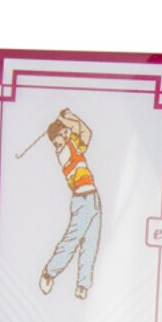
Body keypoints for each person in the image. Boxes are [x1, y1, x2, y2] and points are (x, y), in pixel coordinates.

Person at [39, 108, 101, 300]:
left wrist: (70, 117)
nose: (57, 142)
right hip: (82, 200)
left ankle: (83, 285)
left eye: (60, 136)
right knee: (71, 241)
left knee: (90, 244)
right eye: (56, 140)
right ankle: (49, 272)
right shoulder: (64, 150)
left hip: (93, 198)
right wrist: (65, 118)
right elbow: (76, 130)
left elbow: (86, 132)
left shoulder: (72, 143)